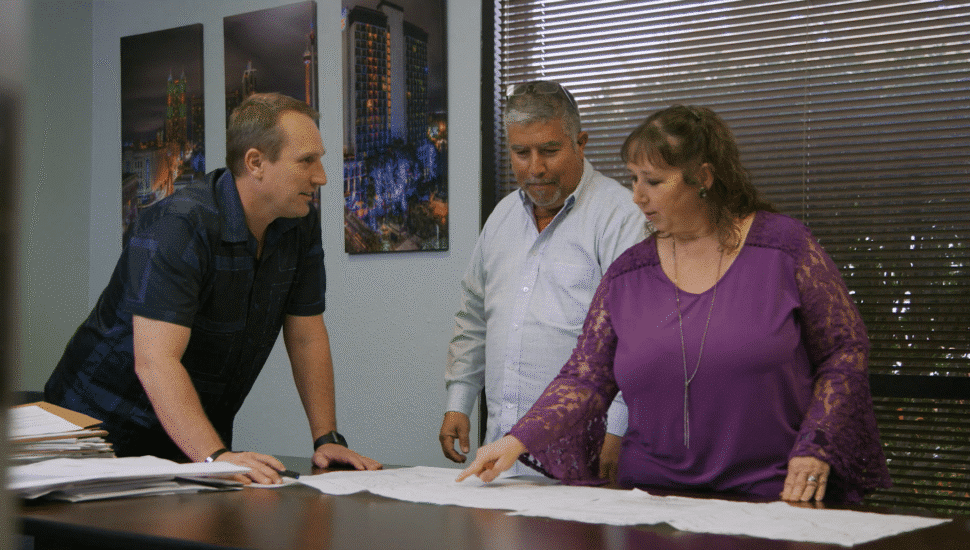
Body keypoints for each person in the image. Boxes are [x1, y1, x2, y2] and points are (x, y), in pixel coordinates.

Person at [458, 105, 891, 503]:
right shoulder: (627, 274)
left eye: (654, 181)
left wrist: (818, 446)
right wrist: (515, 440)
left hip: (775, 493)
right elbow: (585, 378)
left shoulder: (785, 249)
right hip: (650, 498)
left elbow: (844, 352)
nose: (637, 196)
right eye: (633, 179)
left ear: (703, 177)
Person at [46, 93, 381, 483]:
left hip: (190, 439)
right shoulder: (178, 225)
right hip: (95, 436)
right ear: (255, 162)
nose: (321, 176)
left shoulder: (299, 224)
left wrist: (326, 438)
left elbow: (306, 335)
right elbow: (156, 362)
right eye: (306, 161)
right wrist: (216, 456)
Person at [440, 80, 647, 479]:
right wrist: (459, 400)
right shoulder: (501, 217)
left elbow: (634, 337)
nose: (535, 168)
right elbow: (474, 317)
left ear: (580, 142)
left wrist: (618, 430)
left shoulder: (621, 217)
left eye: (549, 151)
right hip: (502, 457)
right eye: (521, 152)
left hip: (588, 455)